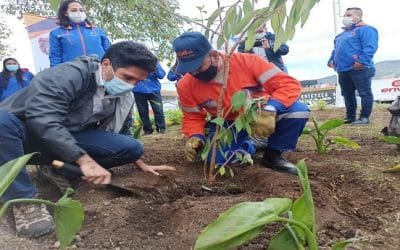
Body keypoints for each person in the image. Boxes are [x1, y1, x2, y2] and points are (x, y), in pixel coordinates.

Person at [0, 41, 175, 238]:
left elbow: (123, 131)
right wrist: (85, 160)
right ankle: (24, 200)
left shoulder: (123, 94)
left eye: (137, 82)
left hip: (67, 139)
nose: (130, 85)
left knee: (132, 148)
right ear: (106, 64)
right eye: (127, 77)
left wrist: (140, 162)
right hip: (22, 137)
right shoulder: (69, 74)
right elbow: (42, 117)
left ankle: (57, 167)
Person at [172, 31, 309, 174]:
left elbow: (289, 85)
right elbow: (192, 117)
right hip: (228, 123)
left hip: (260, 114)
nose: (194, 73)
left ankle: (273, 155)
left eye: (198, 66)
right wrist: (195, 135)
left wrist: (271, 108)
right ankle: (250, 145)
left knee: (297, 111)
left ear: (213, 55)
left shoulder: (247, 62)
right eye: (188, 69)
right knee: (218, 160)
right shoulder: (185, 85)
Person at [328, 7, 378, 125]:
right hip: (343, 69)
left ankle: (364, 117)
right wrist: (331, 60)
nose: (346, 17)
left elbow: (370, 47)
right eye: (345, 15)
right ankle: (350, 116)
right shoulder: (341, 35)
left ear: (358, 17)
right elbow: (335, 50)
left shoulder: (366, 29)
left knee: (364, 93)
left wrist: (361, 62)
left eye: (349, 15)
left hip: (360, 68)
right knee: (347, 93)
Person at [49, 0, 111, 67]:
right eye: (74, 10)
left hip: (99, 71)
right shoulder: (56, 33)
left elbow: (109, 52)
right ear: (65, 13)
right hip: (72, 73)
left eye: (81, 10)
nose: (78, 13)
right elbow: (55, 58)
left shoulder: (98, 31)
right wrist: (57, 75)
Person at [132, 62, 167, 135]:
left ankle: (161, 128)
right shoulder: (133, 60)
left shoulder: (153, 62)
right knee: (142, 112)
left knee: (158, 110)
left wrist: (154, 68)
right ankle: (147, 130)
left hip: (154, 91)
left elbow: (161, 75)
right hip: (138, 91)